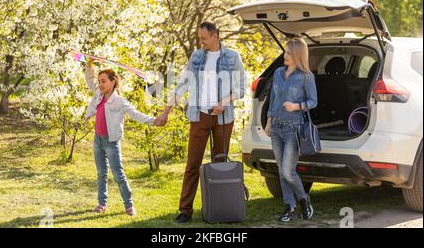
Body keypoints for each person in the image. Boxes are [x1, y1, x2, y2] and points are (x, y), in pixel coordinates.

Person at [156, 21, 247, 224]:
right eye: (200, 38)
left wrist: (223, 103)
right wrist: (165, 112)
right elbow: (182, 85)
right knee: (192, 164)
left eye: (204, 38)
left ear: (215, 36)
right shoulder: (196, 57)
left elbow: (241, 88)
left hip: (224, 117)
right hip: (199, 116)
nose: (201, 42)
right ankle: (185, 211)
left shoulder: (232, 57)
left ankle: (221, 208)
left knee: (220, 163)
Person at [84, 58, 163, 216]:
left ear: (113, 82)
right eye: (100, 81)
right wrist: (90, 64)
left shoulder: (120, 101)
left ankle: (129, 205)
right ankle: (102, 203)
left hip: (111, 142)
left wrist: (155, 121)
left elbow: (136, 115)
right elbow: (89, 80)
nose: (100, 84)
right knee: (101, 174)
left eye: (104, 81)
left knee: (118, 174)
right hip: (98, 140)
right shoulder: (99, 94)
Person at [264, 38, 318, 222]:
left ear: (297, 55)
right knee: (281, 170)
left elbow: (313, 101)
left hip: (293, 130)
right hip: (276, 128)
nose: (284, 55)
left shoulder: (306, 76)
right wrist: (269, 121)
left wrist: (296, 106)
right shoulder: (279, 72)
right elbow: (273, 98)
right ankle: (290, 206)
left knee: (288, 171)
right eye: (285, 52)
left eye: (288, 53)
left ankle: (304, 199)